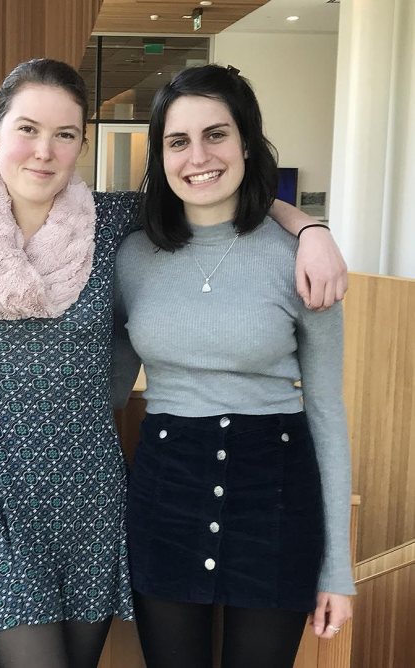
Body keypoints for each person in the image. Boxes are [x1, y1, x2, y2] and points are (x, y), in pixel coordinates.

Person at [0, 58, 349, 668]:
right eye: (27, 129)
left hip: (130, 490)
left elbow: (207, 196)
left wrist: (310, 226)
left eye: (66, 134)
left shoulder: (116, 227)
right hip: (22, 493)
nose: (45, 151)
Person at [112, 64, 354, 668]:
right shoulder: (130, 255)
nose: (198, 156)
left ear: (245, 141)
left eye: (215, 134)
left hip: (275, 494)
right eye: (177, 141)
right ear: (161, 155)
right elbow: (106, 394)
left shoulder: (300, 259)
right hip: (164, 494)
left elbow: (326, 413)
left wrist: (338, 569)